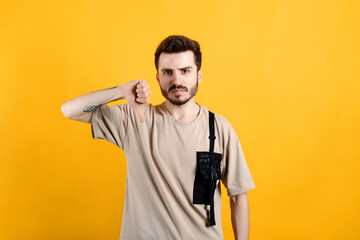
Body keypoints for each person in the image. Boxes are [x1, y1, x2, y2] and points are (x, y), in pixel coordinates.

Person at [61, 35, 255, 240]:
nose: (176, 80)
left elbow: (238, 196)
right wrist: (121, 90)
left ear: (199, 75)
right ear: (158, 78)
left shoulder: (219, 128)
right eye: (167, 72)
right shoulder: (136, 119)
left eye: (185, 71)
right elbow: (70, 110)